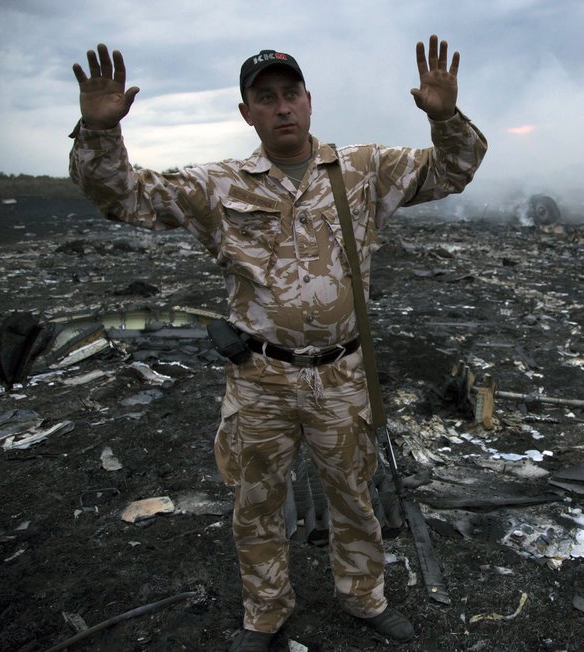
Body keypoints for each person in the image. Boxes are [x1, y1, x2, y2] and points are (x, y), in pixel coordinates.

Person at [69, 36, 487, 651]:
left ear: (310, 102)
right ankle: (265, 613)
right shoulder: (220, 185)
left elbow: (454, 169)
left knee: (354, 495)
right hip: (260, 380)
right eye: (266, 98)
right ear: (247, 114)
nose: (282, 107)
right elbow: (124, 197)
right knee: (256, 503)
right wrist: (99, 132)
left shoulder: (365, 171)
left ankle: (363, 597)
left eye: (291, 94)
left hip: (342, 376)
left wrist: (444, 116)